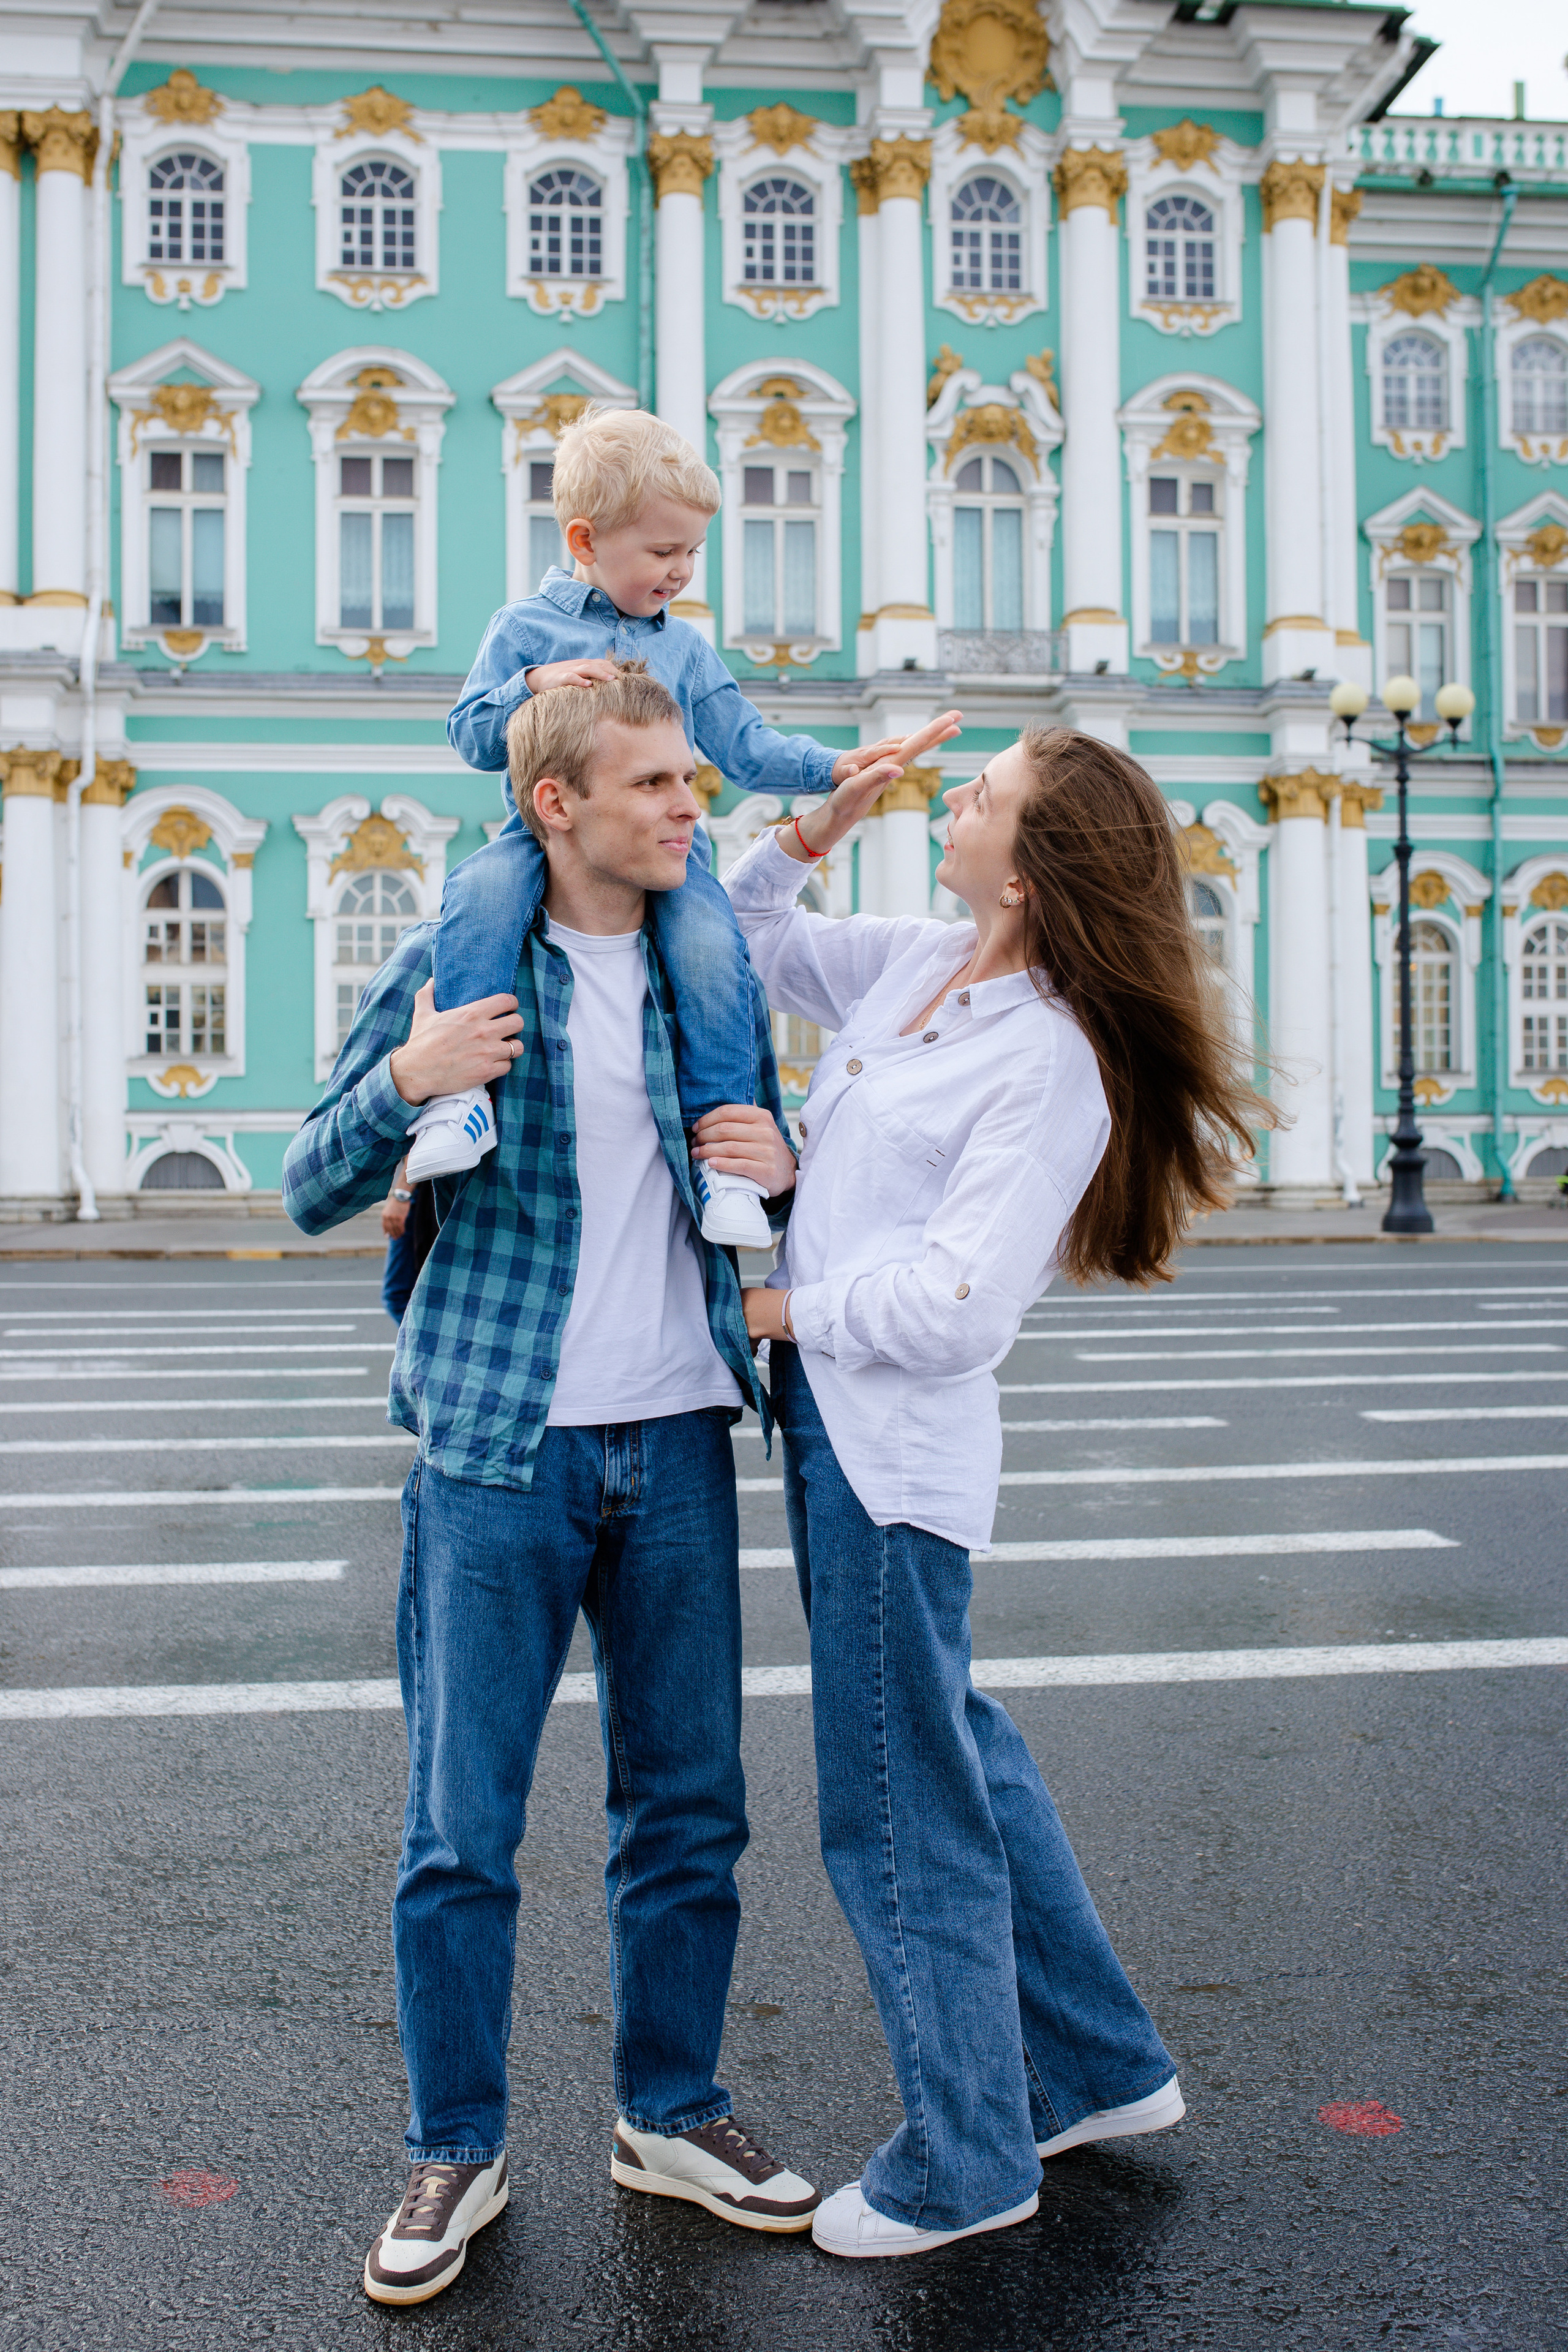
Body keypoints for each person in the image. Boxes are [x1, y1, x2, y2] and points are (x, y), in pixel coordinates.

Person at [282, 666, 836, 2310]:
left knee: (689, 1813)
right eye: (658, 785)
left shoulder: (697, 977)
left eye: (691, 779)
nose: (691, 806)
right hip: (495, 1447)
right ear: (558, 808)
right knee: (462, 1828)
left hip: (673, 1439)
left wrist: (789, 1172)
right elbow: (311, 1180)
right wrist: (407, 1081)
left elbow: (763, 1170)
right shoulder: (462, 969)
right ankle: (454, 2144)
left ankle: (669, 2110)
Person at [726, 725, 1273, 2260]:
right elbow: (747, 930)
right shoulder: (917, 965)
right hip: (834, 1426)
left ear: (1026, 875)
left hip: (889, 1453)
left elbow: (959, 1300)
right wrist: (814, 825)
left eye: (981, 795)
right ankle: (1097, 2068)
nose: (952, 801)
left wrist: (781, 1307)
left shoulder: (1045, 1060)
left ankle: (965, 2156)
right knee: (953, 1745)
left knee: (898, 1806)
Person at [423, 402, 958, 1246]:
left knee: (716, 955)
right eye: (663, 552)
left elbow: (745, 747)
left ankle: (725, 1161)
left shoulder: (687, 649)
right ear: (586, 540)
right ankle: (458, 1101)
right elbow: (471, 737)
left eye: (692, 553)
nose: (681, 572)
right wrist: (533, 683)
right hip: (543, 837)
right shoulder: (523, 630)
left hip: (675, 855)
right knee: (476, 901)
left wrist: (833, 766)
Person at [379, 1160, 437, 1324]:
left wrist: (401, 1195)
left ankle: (426, 1348)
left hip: (425, 1185)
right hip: (431, 1183)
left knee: (399, 1295)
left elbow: (423, 1137)